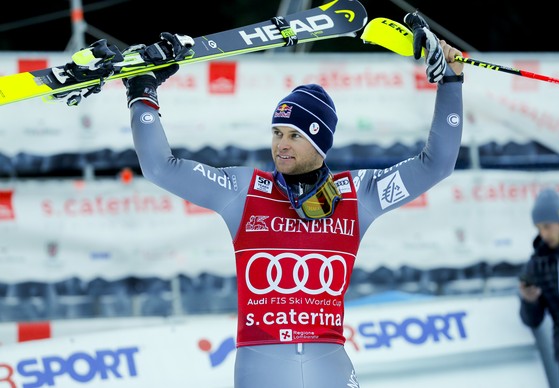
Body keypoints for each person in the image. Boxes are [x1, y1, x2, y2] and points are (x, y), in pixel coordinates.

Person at [123, 13, 464, 388]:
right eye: (277, 132)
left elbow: (436, 165)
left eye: (294, 135)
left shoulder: (357, 194)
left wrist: (450, 82)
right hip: (261, 361)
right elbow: (159, 168)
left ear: (319, 143)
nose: (281, 144)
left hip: (328, 361)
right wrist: (143, 94)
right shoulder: (244, 190)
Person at [519, 187, 559, 388]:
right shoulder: (538, 263)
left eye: (547, 226)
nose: (544, 234)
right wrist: (529, 300)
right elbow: (532, 320)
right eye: (539, 228)